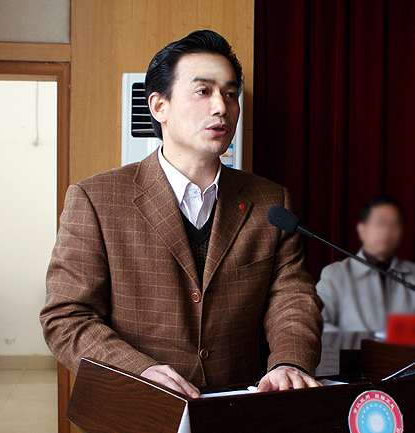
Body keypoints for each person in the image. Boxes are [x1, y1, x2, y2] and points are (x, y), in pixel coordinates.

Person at [40, 30, 323, 398]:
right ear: (160, 106)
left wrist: (290, 362)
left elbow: (292, 298)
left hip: (238, 407)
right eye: (203, 91)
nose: (221, 107)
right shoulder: (96, 199)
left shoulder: (270, 200)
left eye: (231, 94)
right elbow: (67, 316)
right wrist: (138, 371)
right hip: (139, 408)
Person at [317, 195, 415, 332]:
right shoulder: (334, 274)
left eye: (394, 224)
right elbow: (318, 325)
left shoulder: (413, 274)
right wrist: (363, 341)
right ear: (362, 229)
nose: (387, 231)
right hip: (352, 346)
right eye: (380, 223)